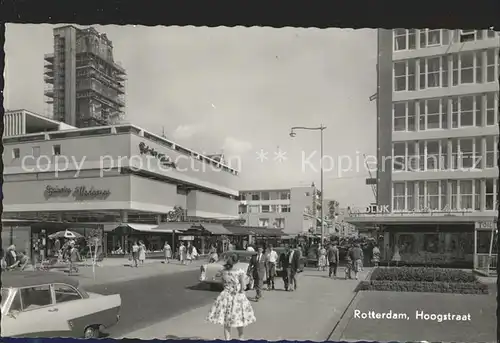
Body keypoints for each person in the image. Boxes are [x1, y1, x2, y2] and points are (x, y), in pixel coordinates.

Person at [206, 253, 256, 340]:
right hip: (237, 297)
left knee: (226, 322)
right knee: (239, 321)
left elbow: (222, 283)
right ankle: (241, 339)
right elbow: (243, 287)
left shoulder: (223, 271)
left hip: (225, 297)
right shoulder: (240, 272)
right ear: (237, 261)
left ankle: (227, 340)